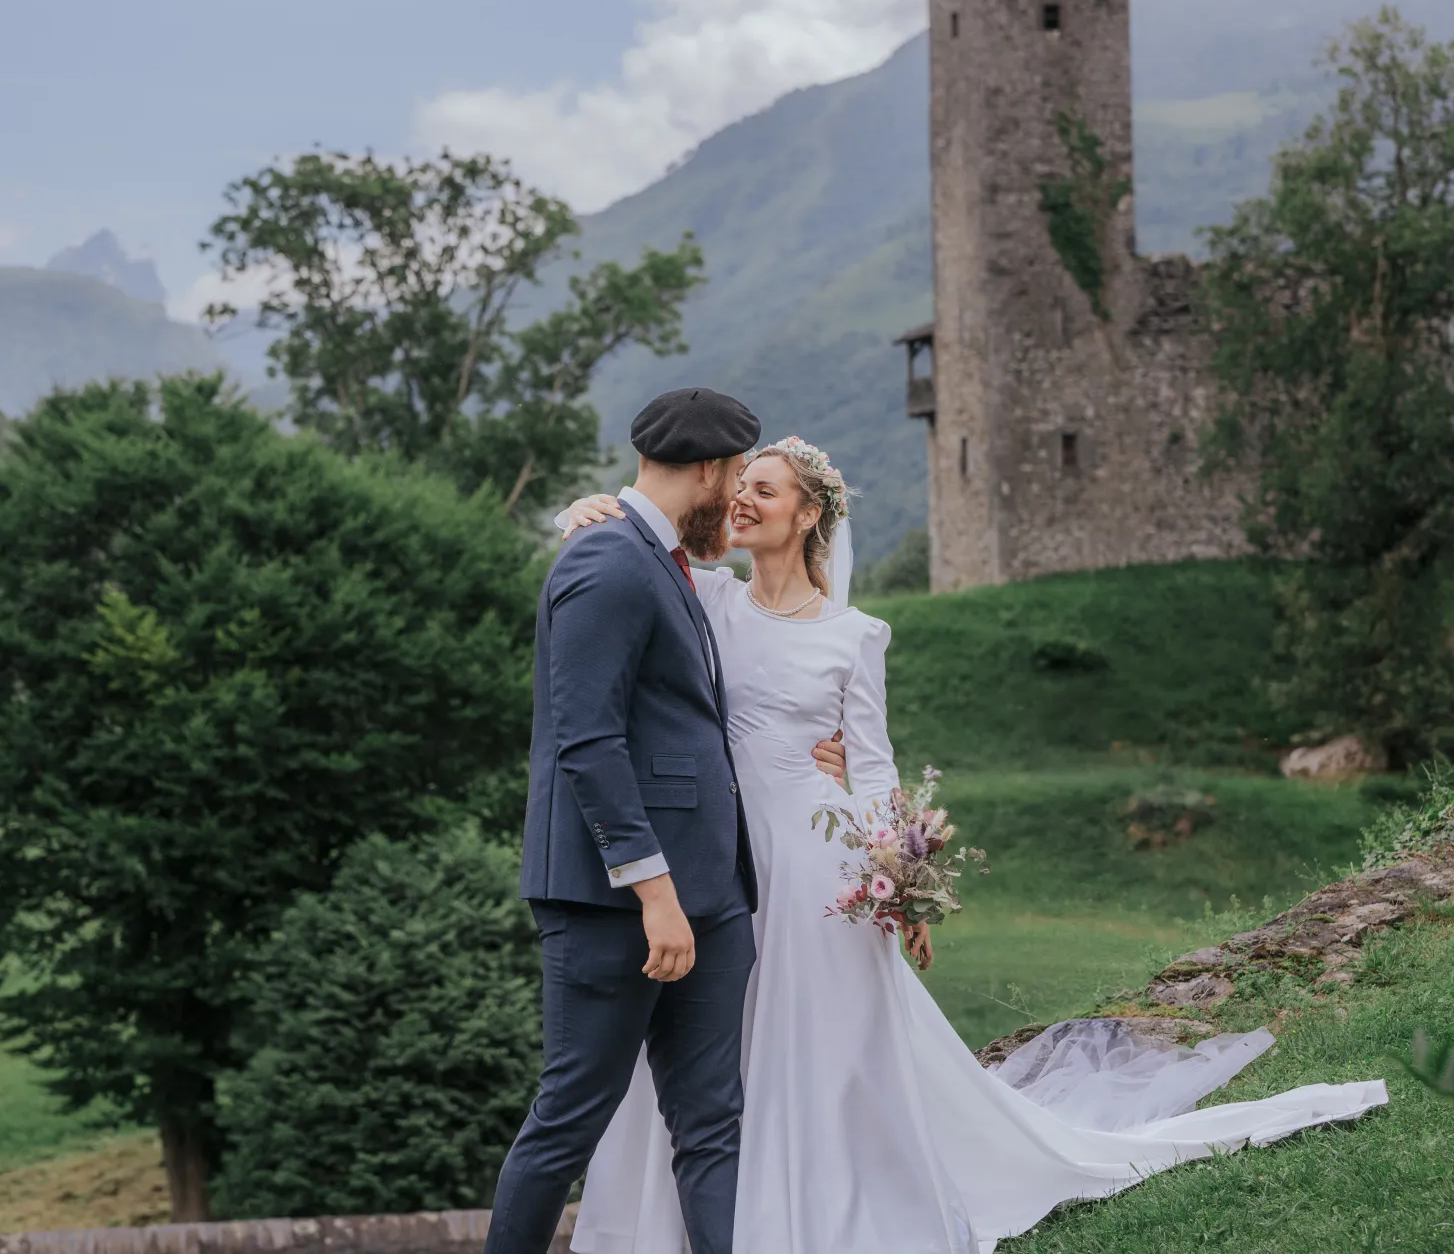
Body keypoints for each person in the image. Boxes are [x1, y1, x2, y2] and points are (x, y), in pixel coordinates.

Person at [554, 437, 1390, 1254]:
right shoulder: (711, 599)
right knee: (716, 1041)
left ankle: (820, 1205)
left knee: (818, 1042)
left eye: (764, 490)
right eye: (743, 485)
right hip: (720, 856)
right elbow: (635, 558)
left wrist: (902, 884)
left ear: (809, 516)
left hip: (814, 862)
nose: (741, 499)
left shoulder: (855, 636)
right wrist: (583, 509)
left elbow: (875, 774)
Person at [485, 388, 848, 1254]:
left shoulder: (667, 562)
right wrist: (654, 891)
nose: (739, 499)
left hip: (714, 898)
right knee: (570, 1117)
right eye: (736, 480)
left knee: (712, 1122)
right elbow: (588, 742)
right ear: (716, 473)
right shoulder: (606, 561)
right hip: (619, 907)